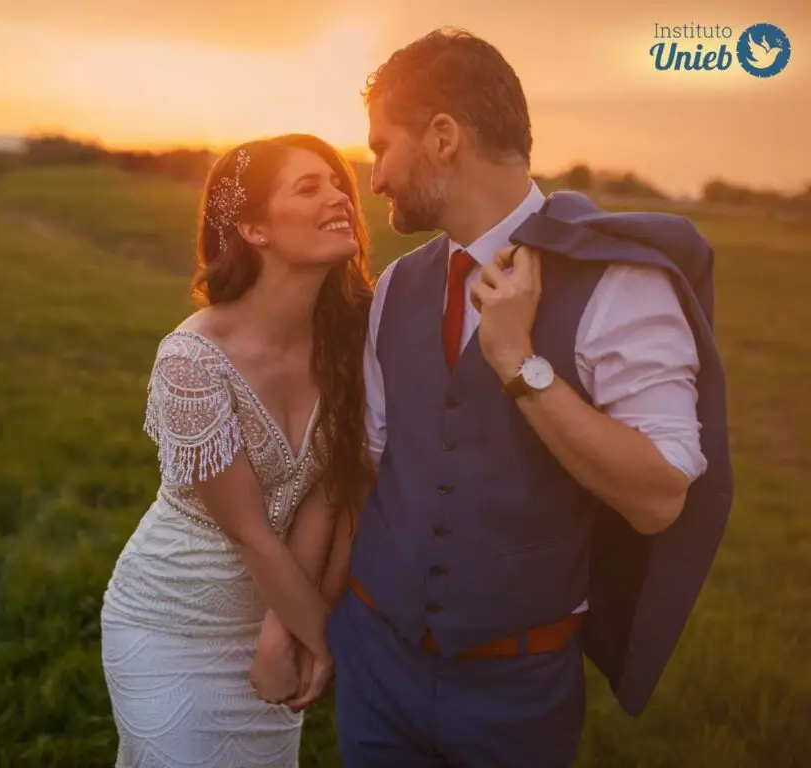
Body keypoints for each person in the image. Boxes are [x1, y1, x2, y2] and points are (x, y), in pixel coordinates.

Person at [308, 27, 729, 766]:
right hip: (376, 662)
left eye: (382, 147)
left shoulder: (623, 284)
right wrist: (312, 621)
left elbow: (659, 497)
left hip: (516, 694)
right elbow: (371, 472)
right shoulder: (397, 288)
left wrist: (520, 364)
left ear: (443, 136)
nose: (373, 179)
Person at [99, 133, 375, 768]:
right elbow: (252, 530)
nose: (339, 196)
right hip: (171, 622)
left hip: (273, 622)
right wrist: (323, 642)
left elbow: (334, 491)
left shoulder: (350, 335)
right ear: (253, 228)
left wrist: (291, 629)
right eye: (309, 187)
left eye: (338, 184)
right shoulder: (192, 359)